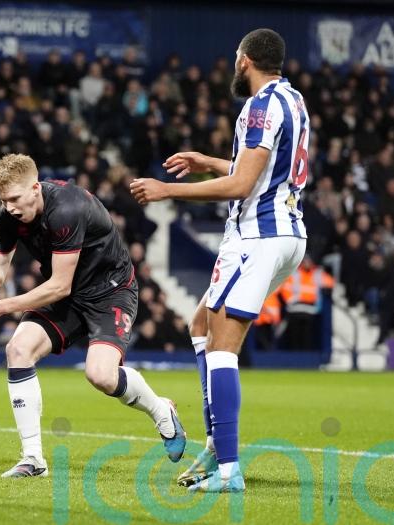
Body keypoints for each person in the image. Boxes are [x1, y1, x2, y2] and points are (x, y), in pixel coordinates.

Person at [131, 29, 308, 493]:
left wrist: (168, 190)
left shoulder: (258, 106)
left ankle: (227, 469)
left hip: (256, 235)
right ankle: (215, 443)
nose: (234, 64)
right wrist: (209, 160)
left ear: (245, 60)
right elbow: (258, 171)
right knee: (201, 326)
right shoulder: (293, 101)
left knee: (222, 349)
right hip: (288, 234)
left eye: (235, 57)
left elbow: (242, 186)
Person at [0, 153, 186, 478]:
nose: (9, 207)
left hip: (109, 292)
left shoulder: (67, 208)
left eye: (14, 199)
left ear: (36, 188)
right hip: (66, 293)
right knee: (18, 349)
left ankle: (160, 409)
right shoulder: (9, 218)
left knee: (101, 376)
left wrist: (3, 306)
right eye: (3, 200)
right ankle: (33, 459)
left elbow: (59, 286)